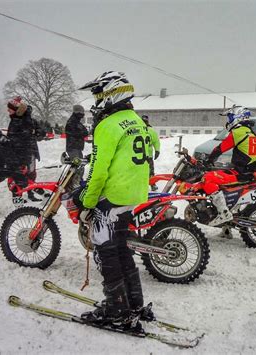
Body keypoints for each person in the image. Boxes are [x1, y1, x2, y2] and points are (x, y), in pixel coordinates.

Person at [76, 71, 152, 331]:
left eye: (98, 94)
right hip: (133, 195)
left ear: (111, 94)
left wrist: (87, 201)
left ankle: (117, 309)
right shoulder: (136, 120)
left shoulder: (107, 125)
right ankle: (134, 303)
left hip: (112, 198)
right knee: (121, 249)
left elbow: (98, 170)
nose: (96, 101)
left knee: (105, 252)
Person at [205, 105, 256, 226]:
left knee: (208, 178)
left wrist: (208, 160)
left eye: (230, 117)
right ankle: (226, 227)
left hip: (240, 173)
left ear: (238, 117)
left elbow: (220, 149)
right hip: (251, 174)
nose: (229, 121)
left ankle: (223, 213)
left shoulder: (237, 132)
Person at [0, 97, 38, 201]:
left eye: (10, 109)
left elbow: (21, 141)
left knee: (16, 181)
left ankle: (19, 209)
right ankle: (20, 205)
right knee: (18, 180)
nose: (8, 110)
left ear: (17, 110)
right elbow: (18, 138)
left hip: (19, 156)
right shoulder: (18, 119)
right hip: (18, 155)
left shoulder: (20, 121)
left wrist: (5, 141)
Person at [141, 115, 160, 191]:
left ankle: (151, 184)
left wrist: (157, 150)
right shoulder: (152, 130)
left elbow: (156, 142)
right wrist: (157, 150)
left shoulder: (137, 129)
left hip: (141, 156)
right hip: (148, 155)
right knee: (150, 171)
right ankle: (152, 184)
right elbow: (156, 142)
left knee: (143, 170)